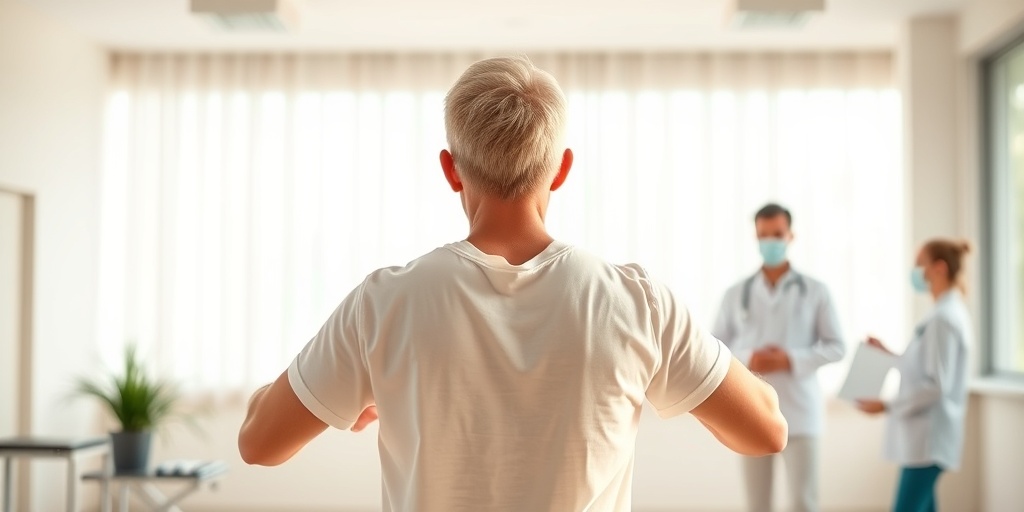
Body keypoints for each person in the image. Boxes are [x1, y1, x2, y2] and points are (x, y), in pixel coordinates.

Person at [237, 56, 788, 511]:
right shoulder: (637, 301)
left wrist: (364, 382)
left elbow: (259, 442)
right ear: (562, 169)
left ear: (451, 169)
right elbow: (766, 430)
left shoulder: (385, 302)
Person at [712, 203, 846, 512]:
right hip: (750, 410)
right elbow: (713, 348)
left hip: (801, 412)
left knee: (803, 502)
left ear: (791, 236)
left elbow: (837, 346)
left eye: (777, 234)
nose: (770, 241)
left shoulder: (816, 291)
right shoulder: (735, 294)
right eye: (763, 235)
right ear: (755, 237)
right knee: (757, 504)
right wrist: (749, 358)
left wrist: (789, 360)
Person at [856, 239, 973, 512]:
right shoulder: (942, 314)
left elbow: (934, 385)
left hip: (928, 439)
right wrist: (889, 354)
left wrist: (886, 405)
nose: (914, 271)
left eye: (919, 264)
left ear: (939, 268)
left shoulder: (944, 318)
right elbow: (924, 367)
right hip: (924, 440)